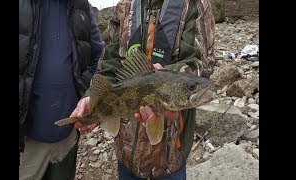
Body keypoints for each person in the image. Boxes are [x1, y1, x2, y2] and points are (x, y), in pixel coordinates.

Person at [72, 0, 212, 179]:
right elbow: (109, 64)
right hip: (126, 152)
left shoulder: (195, 4)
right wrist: (93, 96)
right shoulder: (124, 5)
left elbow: (203, 64)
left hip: (170, 155)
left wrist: (171, 76)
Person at [19, 0, 103, 179]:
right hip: (26, 146)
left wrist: (88, 97)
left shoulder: (81, 5)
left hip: (67, 140)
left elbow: (96, 58)